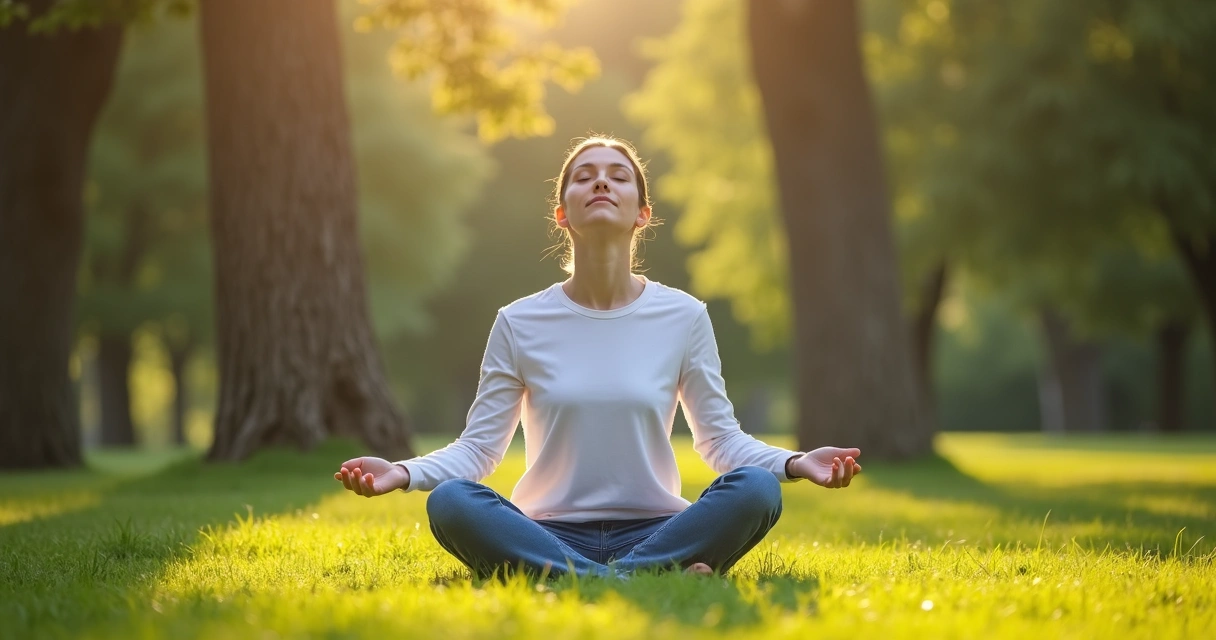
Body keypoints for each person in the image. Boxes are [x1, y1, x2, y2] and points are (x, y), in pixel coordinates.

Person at [334, 136, 862, 579]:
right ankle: (644, 577)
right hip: (542, 529)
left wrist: (795, 463)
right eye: (584, 176)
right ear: (562, 213)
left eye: (618, 175)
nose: (601, 182)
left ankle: (584, 579)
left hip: (659, 526)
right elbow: (478, 451)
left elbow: (720, 441)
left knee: (757, 489)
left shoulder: (684, 316)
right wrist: (401, 473)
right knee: (451, 502)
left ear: (642, 213)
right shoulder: (518, 321)